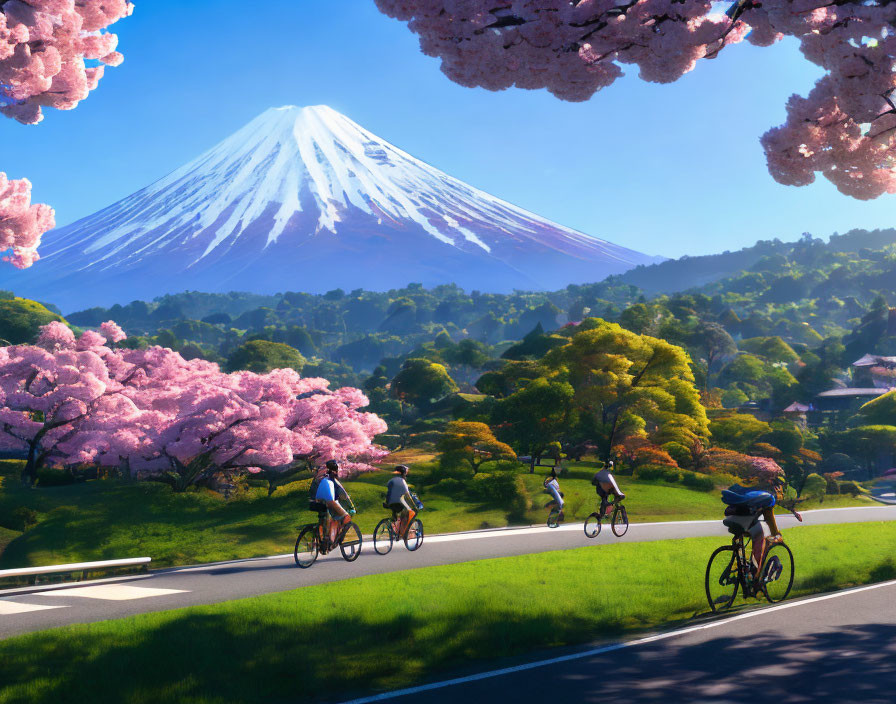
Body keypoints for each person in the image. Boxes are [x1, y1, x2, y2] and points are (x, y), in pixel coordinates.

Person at [309, 459, 355, 546]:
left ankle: (319, 541)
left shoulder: (318, 477)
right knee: (345, 517)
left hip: (314, 503)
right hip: (329, 502)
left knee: (323, 519)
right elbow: (343, 494)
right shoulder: (332, 478)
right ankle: (331, 540)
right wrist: (351, 506)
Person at [385, 464, 416, 537]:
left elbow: (389, 492)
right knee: (407, 512)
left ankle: (394, 530)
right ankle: (403, 531)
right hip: (400, 503)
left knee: (395, 514)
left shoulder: (391, 481)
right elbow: (407, 495)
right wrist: (413, 505)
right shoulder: (403, 482)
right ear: (404, 474)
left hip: (390, 502)